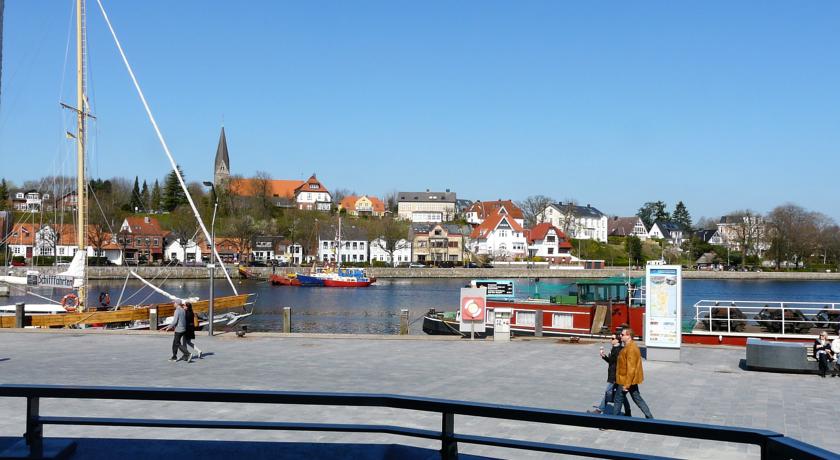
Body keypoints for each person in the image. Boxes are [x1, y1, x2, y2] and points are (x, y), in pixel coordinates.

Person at [613, 327, 653, 419]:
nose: (620, 336)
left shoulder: (630, 349)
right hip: (630, 379)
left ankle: (613, 421)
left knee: (618, 400)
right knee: (637, 399)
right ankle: (650, 418)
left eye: (622, 335)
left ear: (629, 336)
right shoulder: (629, 346)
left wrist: (627, 385)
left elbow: (631, 368)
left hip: (625, 379)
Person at [588, 334, 631, 416]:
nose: (611, 339)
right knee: (621, 394)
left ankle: (599, 410)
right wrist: (604, 356)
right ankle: (628, 412)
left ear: (617, 340)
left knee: (608, 392)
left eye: (612, 338)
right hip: (614, 374)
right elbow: (611, 361)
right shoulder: (615, 348)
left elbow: (618, 363)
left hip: (615, 375)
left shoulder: (619, 350)